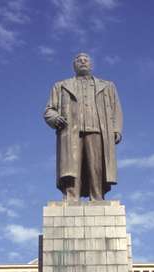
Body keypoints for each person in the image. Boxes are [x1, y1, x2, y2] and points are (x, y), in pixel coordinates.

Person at [43, 53, 123, 201]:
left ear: (91, 65)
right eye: (79, 60)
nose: (83, 62)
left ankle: (97, 197)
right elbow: (49, 110)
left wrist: (116, 129)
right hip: (71, 131)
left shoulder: (107, 86)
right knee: (71, 167)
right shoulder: (61, 86)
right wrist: (55, 118)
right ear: (74, 65)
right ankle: (71, 197)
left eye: (86, 60)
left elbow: (116, 108)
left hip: (98, 130)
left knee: (97, 166)